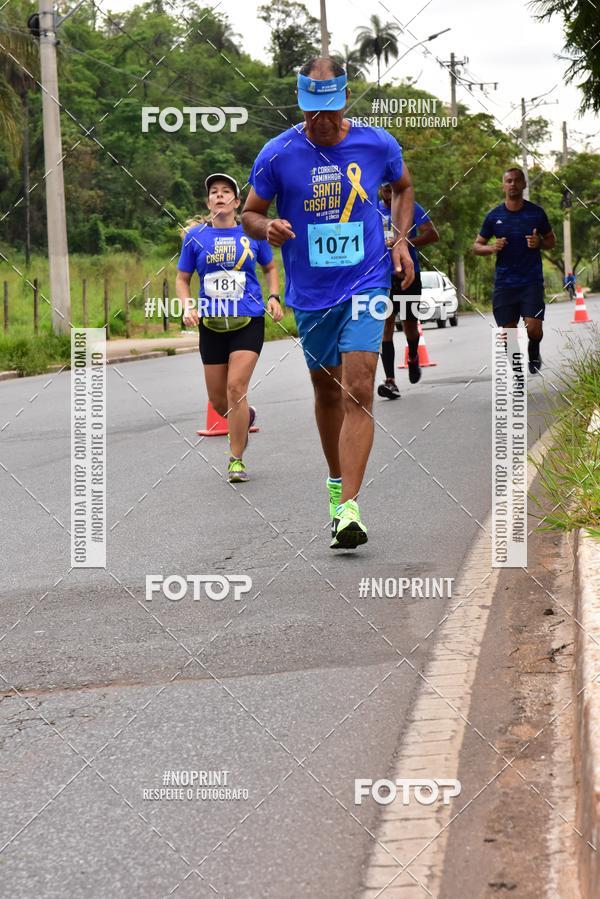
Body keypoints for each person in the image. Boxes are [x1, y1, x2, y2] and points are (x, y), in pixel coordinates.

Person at [242, 57, 415, 548]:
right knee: (327, 390)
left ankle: (349, 508)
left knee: (359, 386)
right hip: (312, 294)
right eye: (313, 112)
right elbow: (252, 212)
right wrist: (267, 227)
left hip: (368, 282)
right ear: (301, 105)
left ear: (344, 102)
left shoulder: (377, 143)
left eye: (331, 111)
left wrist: (399, 240)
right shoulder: (277, 155)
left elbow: (402, 187)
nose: (322, 120)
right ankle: (336, 485)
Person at [177, 172, 282, 482]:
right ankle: (244, 417)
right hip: (211, 325)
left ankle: (236, 459)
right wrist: (187, 306)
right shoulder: (195, 237)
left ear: (237, 202)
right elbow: (183, 279)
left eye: (226, 192)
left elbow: (270, 267)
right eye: (214, 192)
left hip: (248, 320)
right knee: (219, 400)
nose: (219, 196)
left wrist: (274, 296)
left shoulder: (251, 234)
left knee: (236, 388)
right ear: (208, 201)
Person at [473, 167, 556, 374]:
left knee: (534, 328)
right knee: (508, 334)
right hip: (505, 284)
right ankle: (518, 374)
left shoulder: (536, 213)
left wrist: (539, 242)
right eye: (509, 180)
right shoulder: (494, 216)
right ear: (503, 185)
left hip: (531, 282)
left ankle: (534, 348)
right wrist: (492, 247)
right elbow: (476, 246)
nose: (512, 184)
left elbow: (551, 240)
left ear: (524, 184)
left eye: (517, 180)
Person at [377, 184, 439, 397]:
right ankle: (390, 381)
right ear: (379, 190)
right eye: (383, 188)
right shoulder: (372, 210)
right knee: (386, 325)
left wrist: (404, 243)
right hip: (382, 277)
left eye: (390, 188)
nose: (387, 192)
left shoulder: (410, 207)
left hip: (408, 275)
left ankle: (413, 356)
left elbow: (432, 234)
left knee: (410, 326)